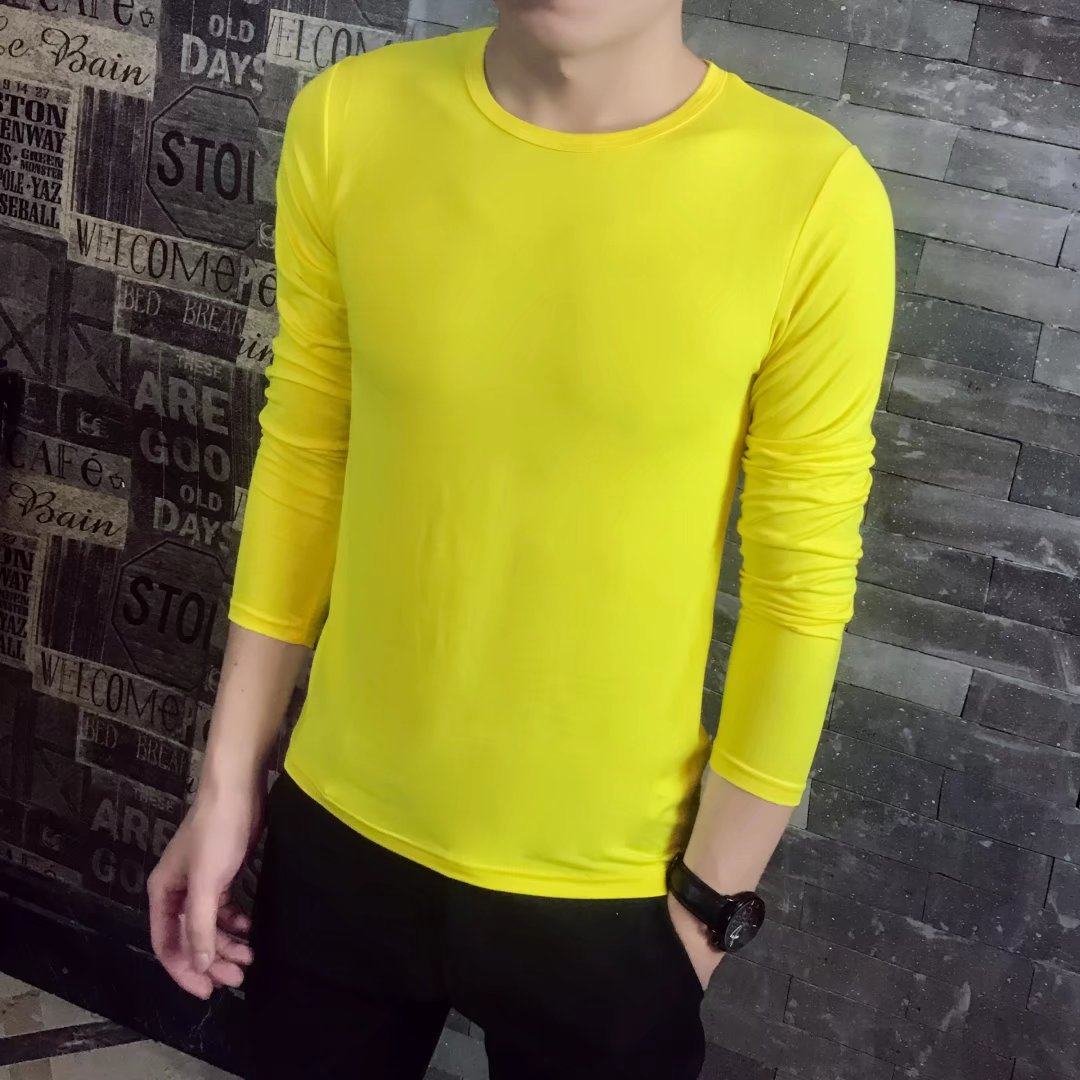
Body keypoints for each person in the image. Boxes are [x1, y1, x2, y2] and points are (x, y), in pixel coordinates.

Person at [147, 3, 896, 1078]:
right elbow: (308, 453)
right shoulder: (352, 119)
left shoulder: (813, 196)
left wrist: (705, 912)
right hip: (338, 842)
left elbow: (801, 584)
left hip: (614, 897)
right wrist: (228, 784)